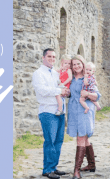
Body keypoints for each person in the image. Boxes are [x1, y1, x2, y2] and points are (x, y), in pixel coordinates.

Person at [32, 48, 69, 179]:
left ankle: (53, 167)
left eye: (54, 57)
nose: (52, 59)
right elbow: (42, 90)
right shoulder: (38, 73)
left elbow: (61, 87)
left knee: (59, 141)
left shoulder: (54, 73)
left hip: (60, 111)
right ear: (43, 58)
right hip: (48, 111)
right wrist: (59, 90)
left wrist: (65, 91)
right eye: (49, 57)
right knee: (50, 141)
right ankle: (47, 170)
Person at [67, 55, 101, 179]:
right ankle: (91, 165)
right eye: (74, 64)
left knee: (80, 137)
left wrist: (87, 93)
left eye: (78, 64)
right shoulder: (70, 78)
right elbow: (70, 92)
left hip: (85, 110)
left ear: (83, 64)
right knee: (84, 138)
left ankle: (76, 171)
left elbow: (97, 96)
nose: (76, 66)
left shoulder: (88, 78)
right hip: (73, 110)